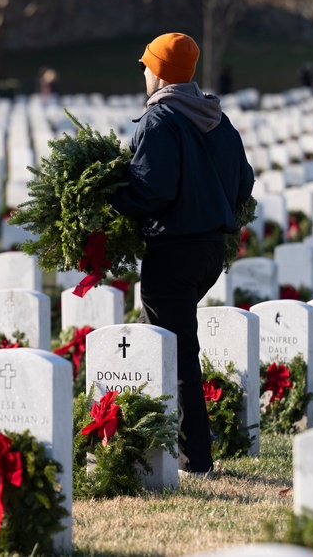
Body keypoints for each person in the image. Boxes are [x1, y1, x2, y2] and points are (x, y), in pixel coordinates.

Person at [108, 32, 254, 476]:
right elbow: (244, 184)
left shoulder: (160, 120)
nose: (144, 73)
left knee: (177, 354)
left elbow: (152, 190)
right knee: (179, 347)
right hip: (211, 251)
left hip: (173, 250)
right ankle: (187, 448)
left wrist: (109, 195)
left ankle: (196, 460)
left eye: (146, 66)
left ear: (160, 72)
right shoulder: (217, 119)